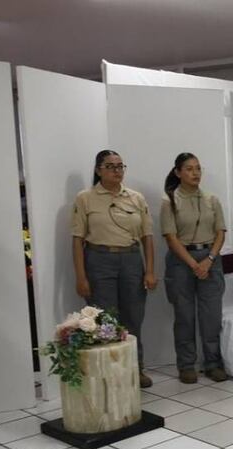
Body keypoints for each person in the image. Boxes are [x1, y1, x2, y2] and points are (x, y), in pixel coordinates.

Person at [72, 150, 157, 388]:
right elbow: (77, 239)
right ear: (98, 170)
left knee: (133, 316)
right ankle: (109, 372)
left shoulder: (136, 198)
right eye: (110, 166)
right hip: (99, 260)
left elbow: (147, 237)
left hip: (131, 259)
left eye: (120, 166)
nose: (117, 171)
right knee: (104, 318)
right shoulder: (85, 198)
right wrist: (81, 276)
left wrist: (150, 270)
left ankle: (135, 369)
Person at [161, 153, 227, 384]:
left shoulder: (212, 199)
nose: (195, 173)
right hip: (182, 261)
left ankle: (213, 363)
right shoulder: (170, 201)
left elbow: (221, 232)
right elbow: (170, 237)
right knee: (184, 316)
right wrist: (193, 264)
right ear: (178, 172)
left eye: (198, 168)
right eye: (189, 169)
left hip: (210, 258)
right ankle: (187, 365)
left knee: (211, 316)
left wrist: (209, 259)